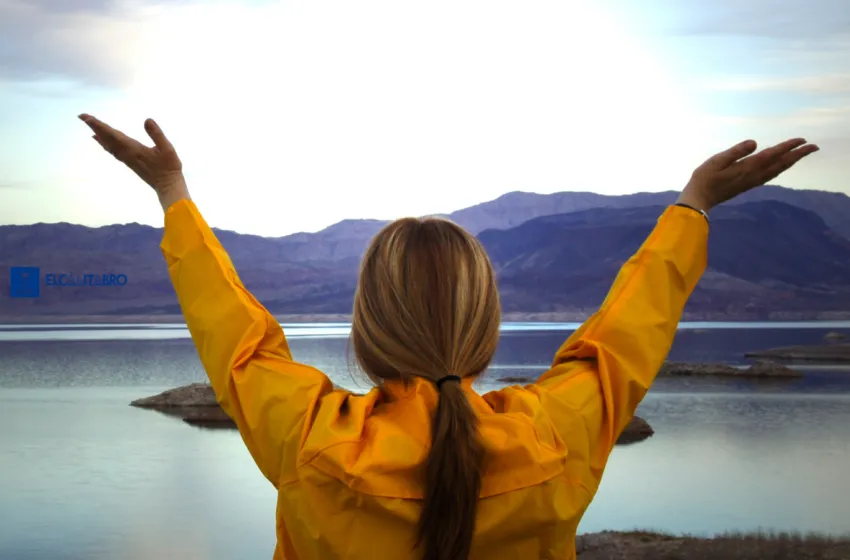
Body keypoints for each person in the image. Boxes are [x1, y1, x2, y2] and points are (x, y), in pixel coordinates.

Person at [79, 112, 818, 560]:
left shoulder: (312, 440)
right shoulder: (551, 438)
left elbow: (236, 341)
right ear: (487, 329)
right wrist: (692, 208)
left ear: (367, 331)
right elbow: (628, 336)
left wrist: (173, 197)